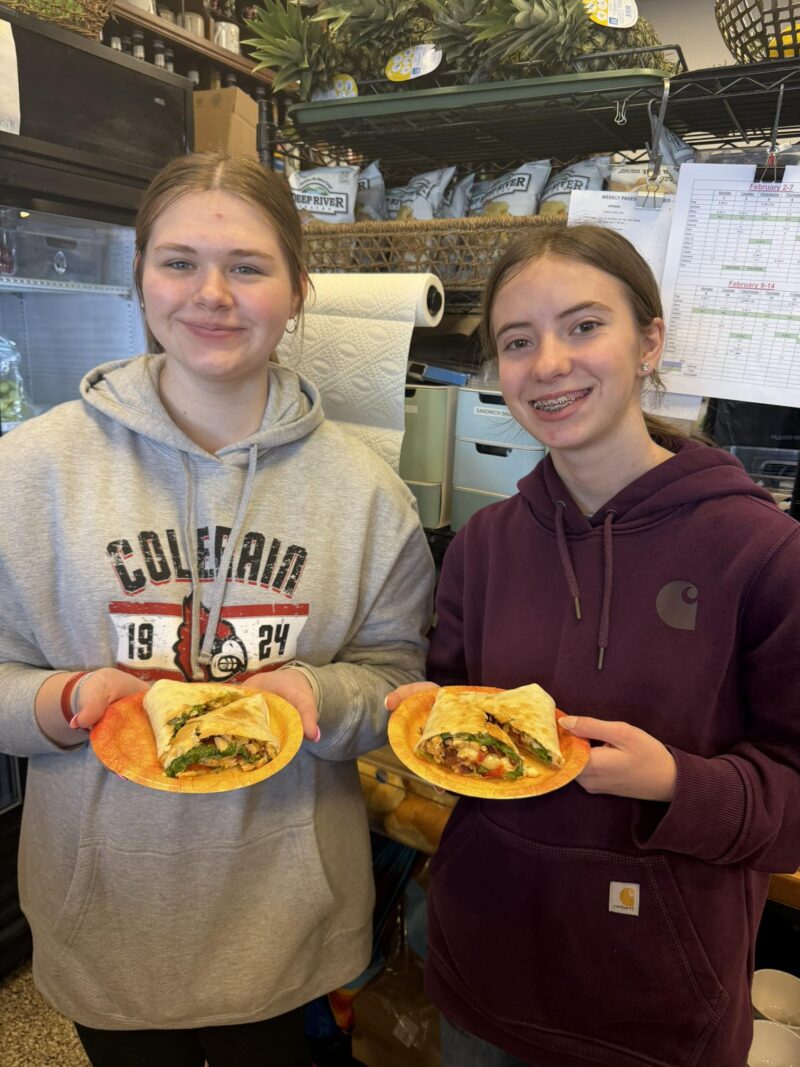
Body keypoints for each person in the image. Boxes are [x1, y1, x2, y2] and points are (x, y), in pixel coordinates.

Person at [0, 151, 434, 1067]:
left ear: (297, 288)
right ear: (139, 277)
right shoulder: (27, 472)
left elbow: (398, 677)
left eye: (246, 266)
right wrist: (60, 701)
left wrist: (327, 694)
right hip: (102, 907)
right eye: (178, 261)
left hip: (284, 915)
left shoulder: (366, 494)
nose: (211, 294)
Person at [387, 223, 800, 1067]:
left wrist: (678, 783)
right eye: (517, 340)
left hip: (653, 1005)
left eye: (583, 326)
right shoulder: (486, 544)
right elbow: (455, 708)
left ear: (650, 341)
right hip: (485, 969)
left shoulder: (764, 552)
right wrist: (426, 724)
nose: (548, 363)